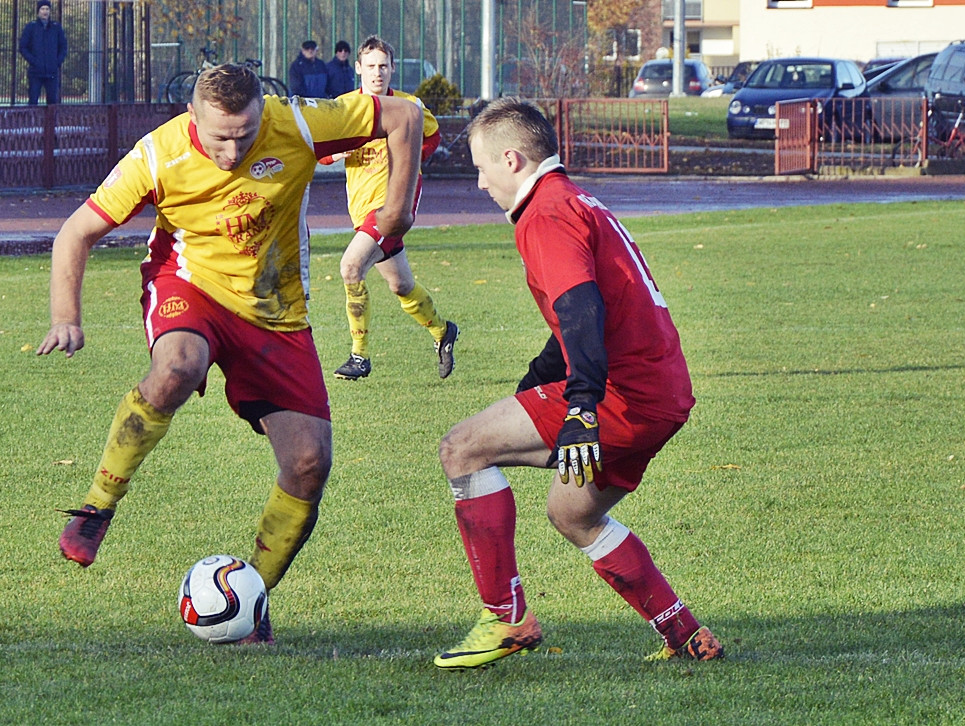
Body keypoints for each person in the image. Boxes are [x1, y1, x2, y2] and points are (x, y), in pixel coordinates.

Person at [38, 63, 423, 644]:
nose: (233, 147)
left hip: (276, 314)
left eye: (244, 134)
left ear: (259, 113)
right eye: (219, 136)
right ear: (192, 115)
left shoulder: (295, 121)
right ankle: (96, 506)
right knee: (177, 366)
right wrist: (66, 318)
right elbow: (76, 233)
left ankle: (252, 604)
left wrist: (396, 210)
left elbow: (405, 114)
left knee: (308, 465)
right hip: (189, 288)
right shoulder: (156, 154)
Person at [432, 97, 723, 669]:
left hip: (622, 391)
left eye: (481, 166)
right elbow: (575, 321)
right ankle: (687, 635)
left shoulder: (546, 213)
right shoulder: (575, 200)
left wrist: (582, 407)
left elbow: (582, 311)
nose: (480, 181)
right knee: (574, 514)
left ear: (511, 160)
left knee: (461, 449)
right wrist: (534, 386)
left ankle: (505, 620)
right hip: (662, 395)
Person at [324, 35, 458, 381]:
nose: (377, 73)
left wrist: (409, 159)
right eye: (370, 66)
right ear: (358, 69)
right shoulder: (344, 107)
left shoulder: (409, 106)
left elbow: (432, 136)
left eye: (383, 66)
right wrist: (336, 153)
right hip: (362, 208)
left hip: (392, 205)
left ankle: (359, 356)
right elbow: (320, 151)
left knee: (351, 267)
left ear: (392, 68)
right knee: (400, 285)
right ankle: (443, 332)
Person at [18, 0, 67, 106]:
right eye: (43, 9)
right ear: (38, 11)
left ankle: (51, 123)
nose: (45, 11)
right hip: (35, 72)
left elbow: (63, 46)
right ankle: (32, 123)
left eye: (47, 9)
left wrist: (57, 62)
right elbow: (23, 47)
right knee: (33, 101)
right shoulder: (31, 27)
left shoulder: (56, 28)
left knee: (52, 103)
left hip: (52, 72)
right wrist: (34, 61)